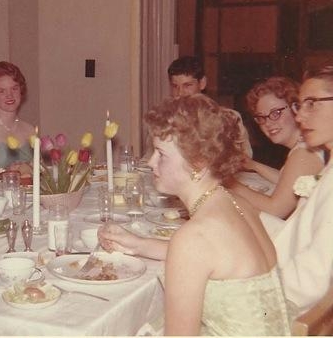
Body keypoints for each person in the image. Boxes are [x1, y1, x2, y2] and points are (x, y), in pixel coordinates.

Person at [99, 94, 291, 335]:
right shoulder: (235, 202)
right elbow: (213, 258)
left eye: (161, 154)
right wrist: (140, 244)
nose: (150, 162)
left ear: (198, 164)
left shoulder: (194, 238)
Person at [265, 64, 333, 315]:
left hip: (291, 309)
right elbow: (300, 233)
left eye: (312, 103)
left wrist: (249, 290)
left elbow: (311, 280)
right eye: (299, 105)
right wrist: (244, 219)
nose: (300, 117)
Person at [227, 77, 324, 218]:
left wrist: (229, 182)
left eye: (275, 113)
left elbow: (276, 209)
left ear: (295, 109)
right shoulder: (303, 146)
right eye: (261, 117)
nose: (268, 123)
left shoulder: (304, 153)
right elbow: (288, 181)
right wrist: (252, 165)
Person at [167, 55, 253, 157]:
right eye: (175, 86)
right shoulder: (165, 121)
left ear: (202, 83)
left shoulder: (229, 118)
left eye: (188, 85)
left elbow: (244, 158)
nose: (180, 93)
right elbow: (149, 160)